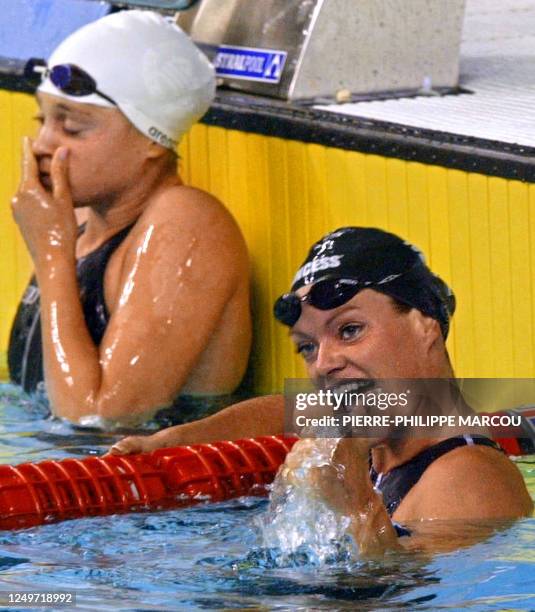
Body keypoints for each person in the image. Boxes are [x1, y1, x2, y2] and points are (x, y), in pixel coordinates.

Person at [110, 227, 532, 553]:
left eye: (350, 330)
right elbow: (283, 410)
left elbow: (394, 591)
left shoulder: (467, 480)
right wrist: (177, 441)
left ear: (426, 327)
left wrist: (347, 492)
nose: (324, 363)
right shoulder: (385, 435)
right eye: (308, 348)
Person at [8, 10, 251, 426]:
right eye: (43, 120)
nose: (44, 144)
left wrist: (52, 254)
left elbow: (97, 420)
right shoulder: (81, 222)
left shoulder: (187, 223)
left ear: (151, 140)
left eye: (73, 128)